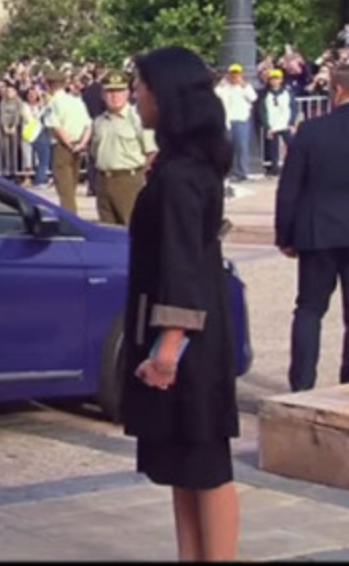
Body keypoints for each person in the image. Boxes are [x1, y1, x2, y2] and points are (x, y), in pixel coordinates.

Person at [123, 46, 240, 561]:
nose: (135, 96)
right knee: (183, 467)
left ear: (164, 95)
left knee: (205, 467)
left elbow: (182, 263)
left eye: (141, 87)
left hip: (185, 343)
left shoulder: (180, 176)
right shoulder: (183, 167)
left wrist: (167, 349)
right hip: (190, 332)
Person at [275, 63, 349, 392]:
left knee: (309, 310)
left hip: (318, 231)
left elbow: (289, 187)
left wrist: (285, 235)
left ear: (337, 90)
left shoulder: (311, 131)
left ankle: (302, 384)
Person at [90, 69, 158, 226]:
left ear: (128, 93)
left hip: (128, 179)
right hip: (103, 180)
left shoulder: (137, 119)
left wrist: (140, 174)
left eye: (119, 91)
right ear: (103, 95)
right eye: (110, 92)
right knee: (107, 229)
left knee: (131, 227)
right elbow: (94, 151)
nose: (114, 96)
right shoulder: (99, 121)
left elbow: (151, 151)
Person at [44, 69, 92, 213]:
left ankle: (70, 219)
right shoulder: (76, 101)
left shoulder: (53, 103)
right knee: (72, 186)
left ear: (48, 85)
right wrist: (82, 144)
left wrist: (69, 144)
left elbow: (56, 127)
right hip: (78, 144)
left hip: (63, 146)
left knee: (65, 190)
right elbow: (88, 125)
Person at [214, 64, 257, 182]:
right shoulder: (224, 87)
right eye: (232, 74)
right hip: (227, 121)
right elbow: (215, 95)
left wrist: (243, 85)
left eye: (236, 74)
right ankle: (228, 171)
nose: (234, 76)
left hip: (241, 120)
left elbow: (253, 98)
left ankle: (241, 172)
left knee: (241, 147)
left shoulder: (245, 86)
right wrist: (221, 84)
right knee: (227, 147)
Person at [259, 69, 297, 177]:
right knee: (273, 149)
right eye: (272, 79)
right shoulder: (265, 94)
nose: (274, 81)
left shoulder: (287, 92)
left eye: (277, 79)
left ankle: (294, 167)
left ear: (281, 80)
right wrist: (267, 126)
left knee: (292, 146)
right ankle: (274, 169)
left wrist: (291, 122)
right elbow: (262, 110)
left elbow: (293, 107)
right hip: (273, 124)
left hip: (285, 123)